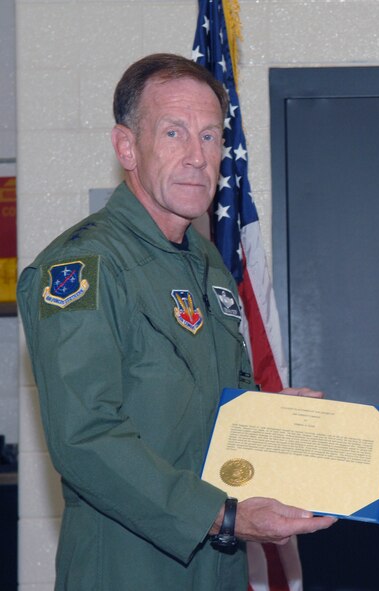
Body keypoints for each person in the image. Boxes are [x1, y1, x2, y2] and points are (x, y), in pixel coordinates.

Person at [17, 53, 335, 590]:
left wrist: (271, 418)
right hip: (127, 566)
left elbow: (214, 401)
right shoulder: (82, 267)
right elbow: (86, 438)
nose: (197, 156)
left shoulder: (206, 261)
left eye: (210, 137)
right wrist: (224, 515)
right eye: (173, 133)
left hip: (219, 563)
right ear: (126, 147)